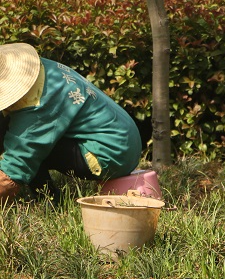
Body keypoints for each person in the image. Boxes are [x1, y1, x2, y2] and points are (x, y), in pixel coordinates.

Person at [0, 43, 142, 203]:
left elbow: (13, 170)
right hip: (124, 138)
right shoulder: (40, 69)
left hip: (111, 153)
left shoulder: (38, 104)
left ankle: (49, 200)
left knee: (31, 149)